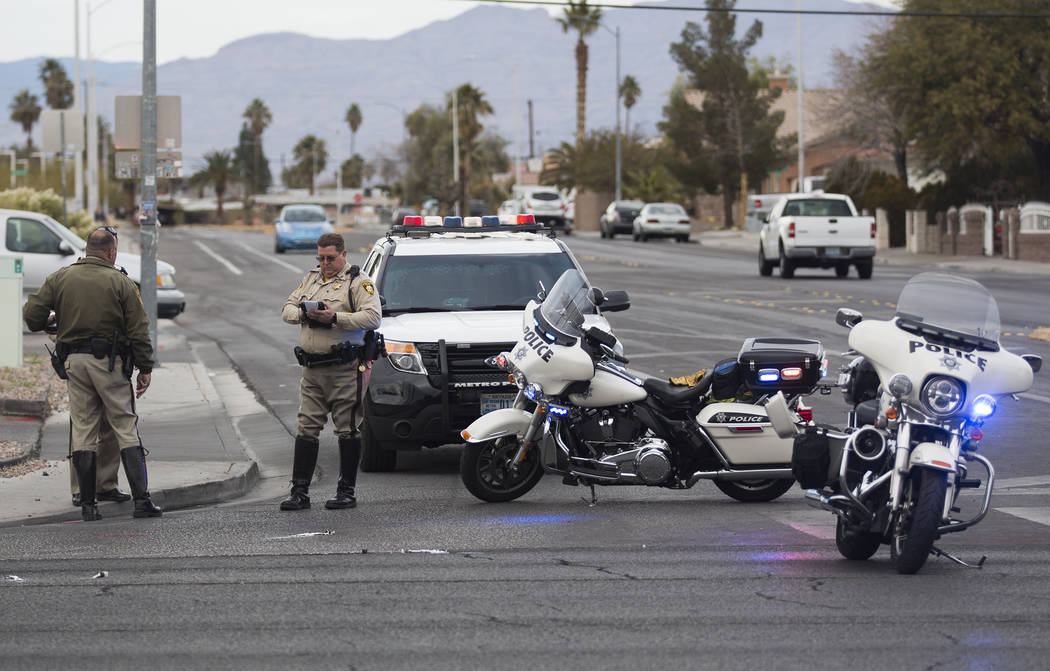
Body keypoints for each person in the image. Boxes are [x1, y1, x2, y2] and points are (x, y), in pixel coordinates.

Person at [23, 227, 161, 521]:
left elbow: (32, 317)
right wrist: (145, 368)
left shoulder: (61, 277)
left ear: (87, 250)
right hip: (109, 364)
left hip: (74, 363)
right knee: (125, 425)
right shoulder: (121, 282)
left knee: (84, 428)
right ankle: (141, 501)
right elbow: (139, 330)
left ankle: (88, 505)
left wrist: (54, 319)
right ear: (111, 252)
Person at [280, 232, 381, 511]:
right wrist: (303, 313)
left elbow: (373, 317)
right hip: (312, 369)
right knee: (306, 427)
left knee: (347, 429)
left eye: (330, 258)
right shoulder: (311, 278)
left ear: (343, 255)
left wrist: (335, 317)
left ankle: (345, 491)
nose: (325, 263)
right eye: (321, 258)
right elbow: (287, 308)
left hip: (345, 369)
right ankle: (299, 491)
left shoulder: (358, 282)